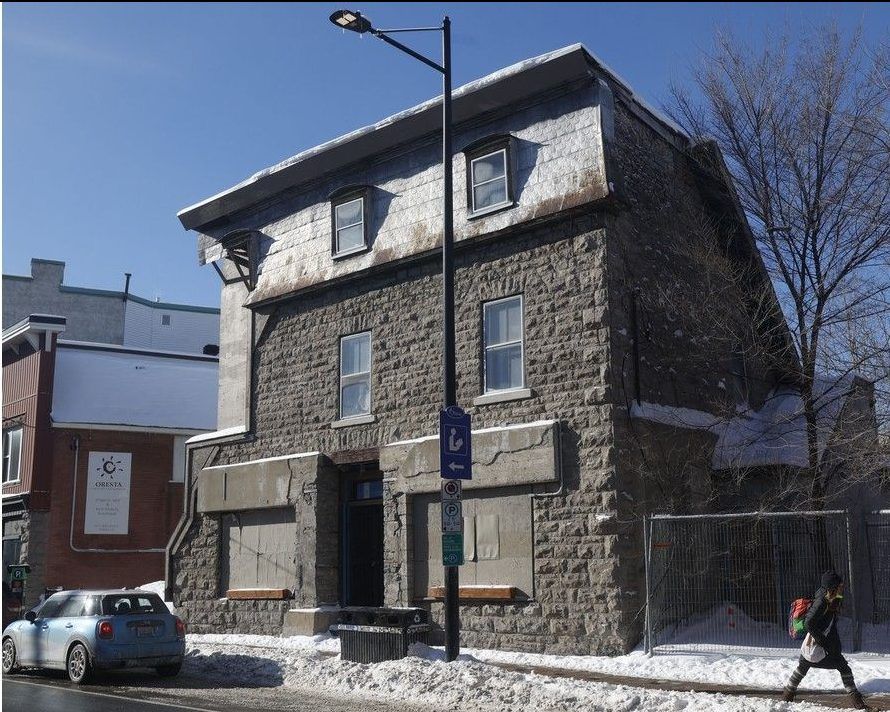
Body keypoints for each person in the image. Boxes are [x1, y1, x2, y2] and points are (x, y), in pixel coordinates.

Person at [783, 571, 869, 710]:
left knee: (803, 666)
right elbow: (808, 623)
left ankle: (787, 695)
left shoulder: (829, 597)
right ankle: (857, 701)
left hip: (815, 645)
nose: (842, 587)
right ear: (832, 587)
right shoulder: (821, 602)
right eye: (840, 585)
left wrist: (839, 595)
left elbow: (832, 609)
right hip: (820, 645)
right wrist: (823, 641)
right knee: (844, 667)